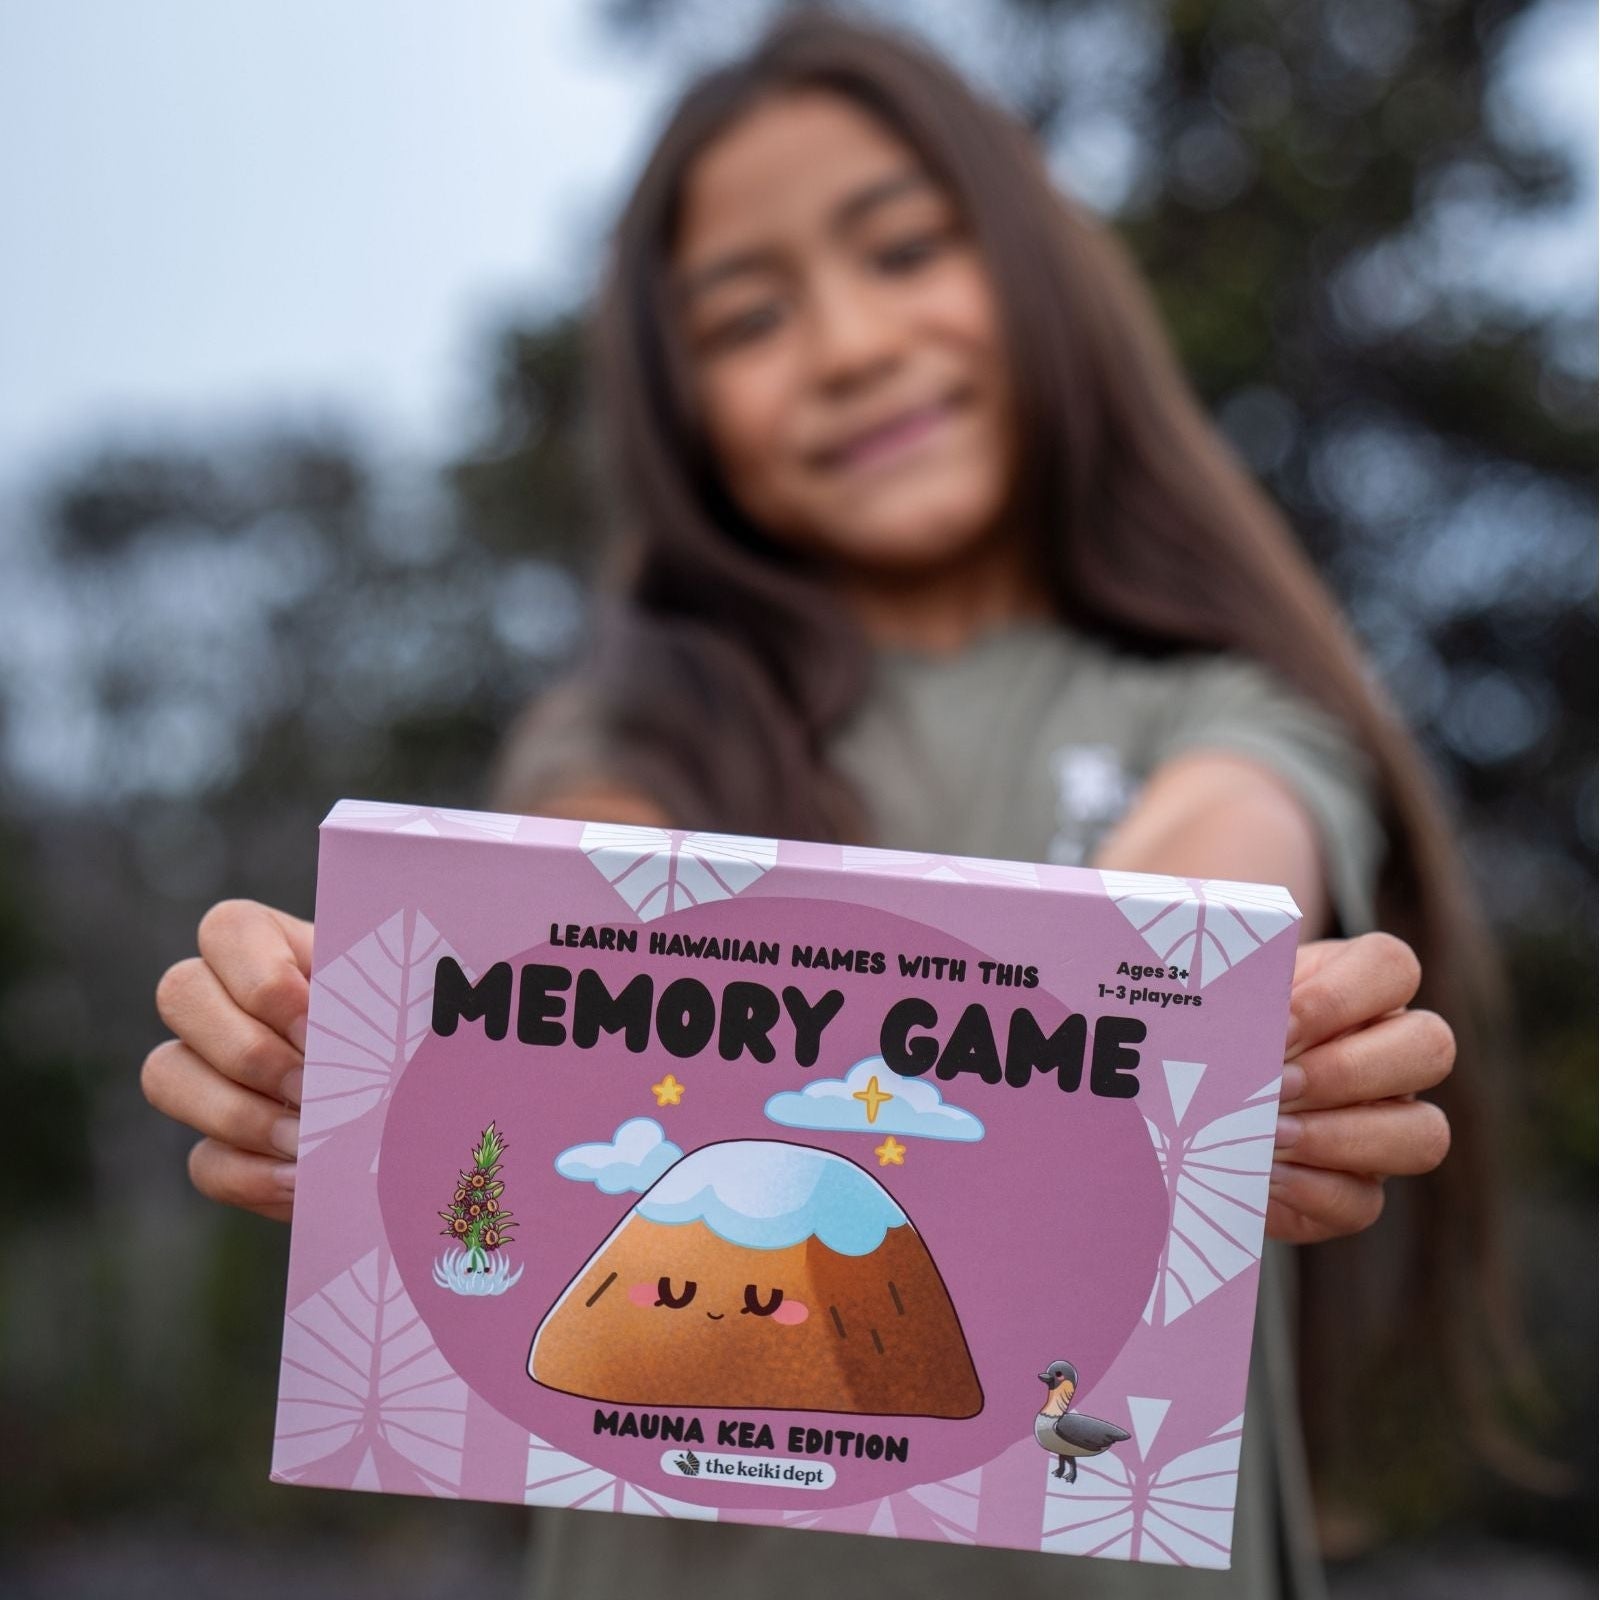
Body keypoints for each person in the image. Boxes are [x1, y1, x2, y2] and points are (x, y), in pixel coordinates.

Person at [142, 11, 1505, 1598]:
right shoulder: (631, 734)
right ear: (681, 414)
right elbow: (592, 905)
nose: (850, 344)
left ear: (1041, 275)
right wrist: (356, 1052)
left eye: (906, 248)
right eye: (747, 317)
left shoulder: (1231, 712)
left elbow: (1210, 871)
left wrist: (1245, 1025)